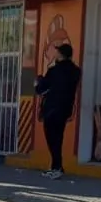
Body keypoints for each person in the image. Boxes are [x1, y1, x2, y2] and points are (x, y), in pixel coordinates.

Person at [34, 43, 82, 180]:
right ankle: (56, 166)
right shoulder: (76, 71)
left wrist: (38, 82)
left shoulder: (54, 71)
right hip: (65, 108)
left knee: (52, 138)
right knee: (58, 137)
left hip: (52, 109)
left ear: (61, 54)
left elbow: (41, 89)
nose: (55, 54)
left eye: (57, 52)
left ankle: (57, 167)